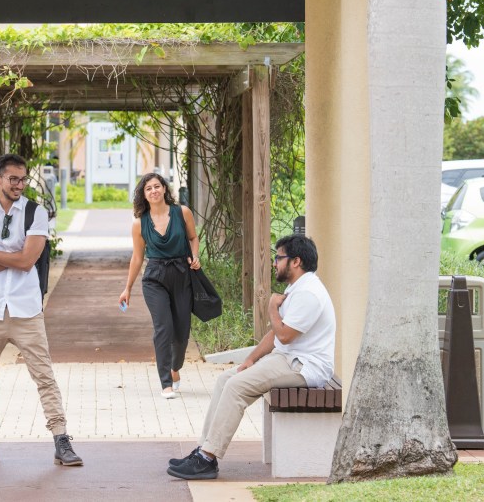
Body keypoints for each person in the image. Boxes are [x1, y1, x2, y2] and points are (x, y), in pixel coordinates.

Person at [166, 234, 336, 480]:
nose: (275, 263)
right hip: (288, 359)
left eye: (279, 258)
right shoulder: (297, 287)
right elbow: (276, 335)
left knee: (236, 387)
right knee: (227, 379)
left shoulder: (309, 293)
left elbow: (285, 335)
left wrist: (271, 309)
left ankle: (207, 459)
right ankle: (204, 450)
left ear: (296, 261)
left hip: (305, 367)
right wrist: (251, 359)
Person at [0, 153, 83, 467]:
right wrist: (6, 256)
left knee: (44, 376)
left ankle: (61, 439)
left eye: (23, 178)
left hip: (26, 309)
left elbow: (27, 261)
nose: (20, 184)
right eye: (13, 179)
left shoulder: (35, 213)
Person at [119, 172, 201, 399]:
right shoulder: (139, 224)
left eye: (157, 186)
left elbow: (193, 238)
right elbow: (137, 258)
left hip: (182, 275)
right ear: (143, 195)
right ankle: (165, 382)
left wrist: (195, 256)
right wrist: (127, 288)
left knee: (182, 333)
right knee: (163, 328)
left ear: (164, 189)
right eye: (148, 189)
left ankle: (175, 369)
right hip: (154, 278)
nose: (153, 191)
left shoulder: (182, 212)